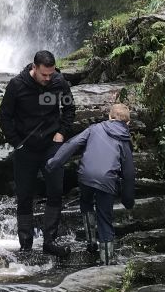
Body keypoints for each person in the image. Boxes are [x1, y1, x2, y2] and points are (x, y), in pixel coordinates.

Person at [0, 50, 75, 257]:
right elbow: (4, 116)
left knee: (56, 191)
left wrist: (62, 132)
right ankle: (25, 245)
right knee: (24, 195)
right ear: (34, 68)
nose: (48, 79)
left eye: (51, 74)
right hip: (26, 147)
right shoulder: (17, 85)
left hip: (52, 145)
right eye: (44, 75)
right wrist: (16, 143)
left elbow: (69, 109)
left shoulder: (59, 82)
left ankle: (50, 241)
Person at [45, 102, 135, 263]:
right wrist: (128, 200)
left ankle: (91, 242)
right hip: (107, 181)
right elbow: (128, 174)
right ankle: (106, 263)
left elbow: (71, 144)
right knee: (104, 218)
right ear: (128, 123)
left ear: (109, 116)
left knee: (86, 202)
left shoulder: (94, 129)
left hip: (85, 176)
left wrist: (54, 163)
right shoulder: (125, 141)